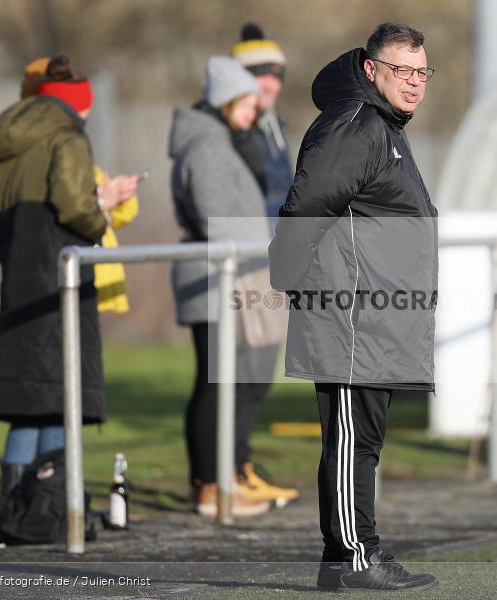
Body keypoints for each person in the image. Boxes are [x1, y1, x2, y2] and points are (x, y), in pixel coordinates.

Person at [268, 22, 438, 591]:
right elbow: (306, 208)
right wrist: (288, 280)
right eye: (402, 71)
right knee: (350, 442)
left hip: (378, 315)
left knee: (361, 442)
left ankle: (344, 558)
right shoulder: (354, 127)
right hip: (348, 315)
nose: (414, 83)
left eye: (421, 72)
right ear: (371, 70)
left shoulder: (384, 126)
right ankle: (354, 557)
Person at [0, 56, 118, 516]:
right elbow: (73, 205)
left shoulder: (7, 142)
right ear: (79, 104)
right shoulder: (68, 136)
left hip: (20, 277)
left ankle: (13, 507)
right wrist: (102, 215)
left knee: (28, 398)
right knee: (64, 396)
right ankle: (52, 509)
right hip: (63, 273)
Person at [169, 56, 296, 519]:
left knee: (224, 382)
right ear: (225, 101)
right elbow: (215, 217)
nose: (254, 112)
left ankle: (220, 480)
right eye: (246, 103)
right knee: (215, 383)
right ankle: (210, 486)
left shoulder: (219, 140)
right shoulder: (207, 146)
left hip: (228, 274)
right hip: (213, 279)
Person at [21, 57, 141, 314]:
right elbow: (77, 214)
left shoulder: (73, 150)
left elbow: (95, 216)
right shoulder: (57, 148)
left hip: (87, 272)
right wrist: (101, 204)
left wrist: (116, 199)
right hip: (69, 274)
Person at [231, 22, 293, 220]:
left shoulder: (276, 128)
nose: (270, 85)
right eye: (260, 74)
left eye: (276, 76)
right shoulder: (227, 131)